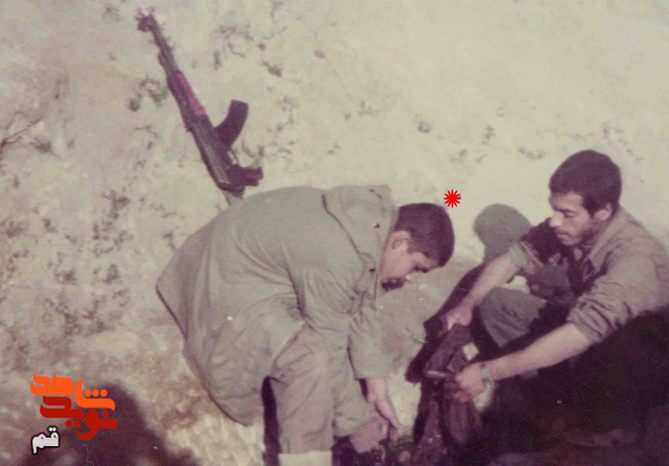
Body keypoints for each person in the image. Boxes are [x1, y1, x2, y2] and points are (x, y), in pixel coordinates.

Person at [157, 185, 455, 466]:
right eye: (417, 267)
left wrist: (375, 383)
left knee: (331, 355)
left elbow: (360, 301)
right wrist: (356, 423)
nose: (412, 279)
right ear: (400, 241)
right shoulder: (338, 253)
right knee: (308, 360)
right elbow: (328, 341)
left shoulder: (368, 226)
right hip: (222, 287)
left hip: (231, 266)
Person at [441, 150, 669, 439]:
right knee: (496, 304)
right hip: (590, 338)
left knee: (619, 347)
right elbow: (516, 256)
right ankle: (555, 403)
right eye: (554, 209)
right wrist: (468, 303)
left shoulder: (634, 259)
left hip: (646, 362)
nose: (554, 221)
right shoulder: (577, 228)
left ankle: (607, 427)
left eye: (567, 214)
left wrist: (488, 373)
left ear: (603, 212)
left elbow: (581, 334)